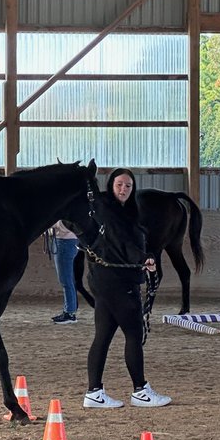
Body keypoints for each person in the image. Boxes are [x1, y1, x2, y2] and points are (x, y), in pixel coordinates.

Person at [81, 168, 171, 409]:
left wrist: (144, 256)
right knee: (133, 334)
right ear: (111, 185)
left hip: (107, 281)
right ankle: (140, 390)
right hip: (117, 282)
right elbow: (121, 243)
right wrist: (144, 258)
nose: (123, 189)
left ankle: (94, 391)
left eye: (128, 186)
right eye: (120, 184)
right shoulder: (107, 212)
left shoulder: (125, 211)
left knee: (102, 337)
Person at [49, 220, 80, 325]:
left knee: (65, 280)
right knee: (68, 279)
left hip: (64, 241)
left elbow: (65, 225)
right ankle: (71, 310)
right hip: (63, 241)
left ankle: (70, 313)